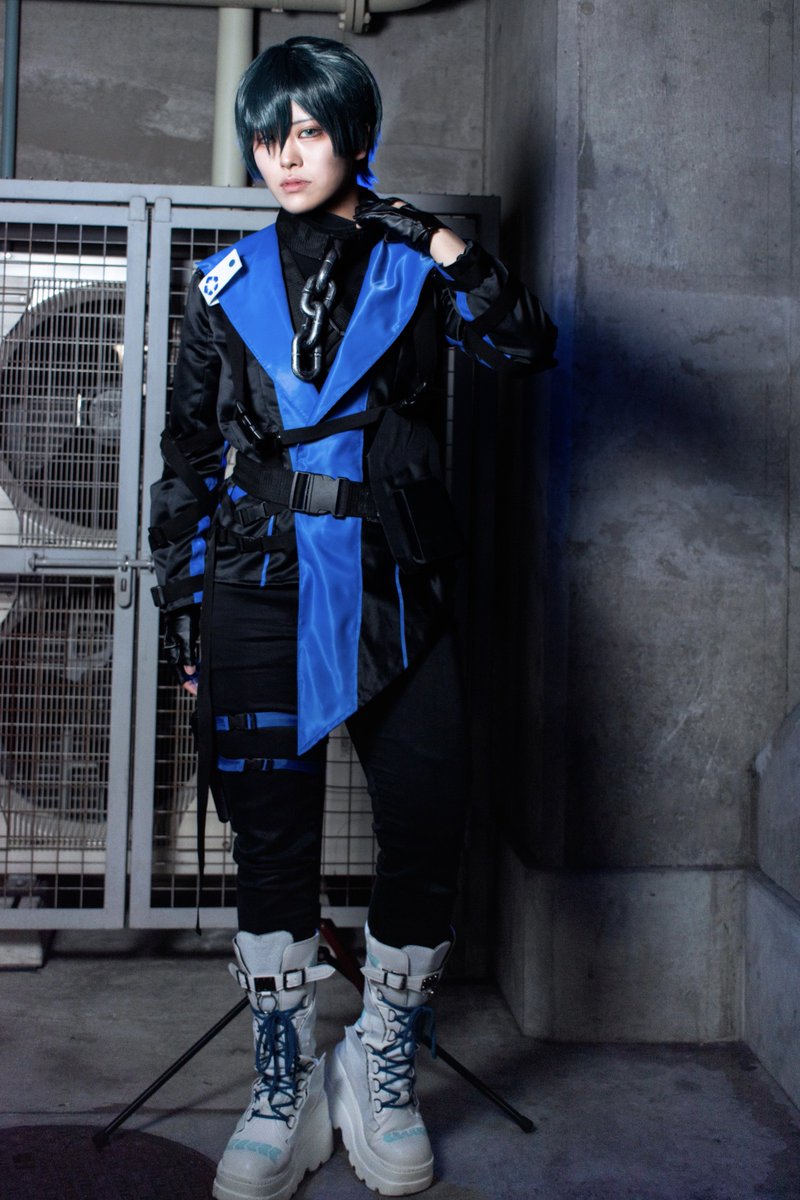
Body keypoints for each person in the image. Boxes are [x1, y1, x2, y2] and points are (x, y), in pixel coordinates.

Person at [149, 34, 556, 1200]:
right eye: (266, 136)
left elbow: (523, 344)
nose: (283, 155)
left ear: (353, 137)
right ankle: (282, 1084)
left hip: (395, 585)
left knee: (425, 824)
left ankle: (381, 1070)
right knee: (269, 840)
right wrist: (185, 614)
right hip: (255, 583)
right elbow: (187, 460)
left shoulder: (415, 270)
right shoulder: (220, 287)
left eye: (309, 132)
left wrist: (428, 235)